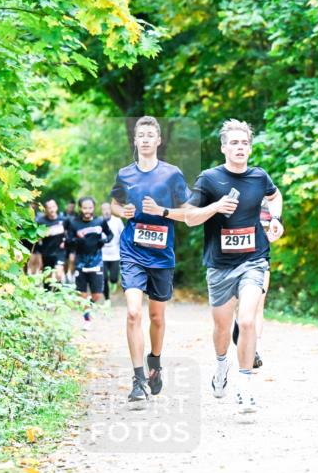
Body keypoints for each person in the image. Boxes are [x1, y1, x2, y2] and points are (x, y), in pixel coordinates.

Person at [148, 119, 283, 414]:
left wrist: (276, 220)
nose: (240, 148)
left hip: (254, 259)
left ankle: (245, 387)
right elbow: (189, 216)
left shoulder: (260, 177)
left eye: (244, 143)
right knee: (222, 328)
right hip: (220, 266)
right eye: (234, 143)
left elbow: (275, 197)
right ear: (224, 147)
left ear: (250, 148)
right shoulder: (210, 179)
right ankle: (222, 365)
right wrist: (216, 207)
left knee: (247, 321)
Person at [110, 116, 191, 404]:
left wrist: (162, 211)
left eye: (150, 135)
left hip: (161, 254)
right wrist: (123, 213)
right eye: (140, 135)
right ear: (135, 141)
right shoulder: (125, 174)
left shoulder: (172, 175)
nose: (144, 139)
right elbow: (114, 204)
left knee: (156, 317)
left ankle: (154, 362)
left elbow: (188, 213)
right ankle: (137, 379)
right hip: (132, 251)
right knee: (133, 312)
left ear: (158, 141)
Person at [231, 193, 282, 368]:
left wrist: (274, 232)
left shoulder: (270, 203)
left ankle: (255, 349)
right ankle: (239, 326)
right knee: (240, 306)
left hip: (260, 259)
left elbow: (275, 229)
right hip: (234, 259)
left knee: (259, 304)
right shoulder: (234, 197)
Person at [68, 196, 114, 329]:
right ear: (80, 208)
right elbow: (68, 241)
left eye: (90, 207)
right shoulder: (74, 223)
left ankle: (87, 304)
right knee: (81, 295)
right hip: (80, 263)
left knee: (97, 295)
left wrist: (104, 241)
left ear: (94, 208)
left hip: (96, 261)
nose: (87, 210)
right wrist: (77, 241)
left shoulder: (100, 221)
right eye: (84, 208)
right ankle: (87, 320)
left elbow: (110, 235)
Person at [36, 199, 68, 285]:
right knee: (47, 277)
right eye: (49, 208)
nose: (52, 209)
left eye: (53, 207)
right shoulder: (41, 221)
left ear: (57, 207)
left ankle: (58, 293)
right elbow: (37, 239)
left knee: (59, 272)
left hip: (60, 252)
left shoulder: (64, 220)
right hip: (46, 252)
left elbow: (68, 233)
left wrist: (65, 241)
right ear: (45, 209)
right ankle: (47, 294)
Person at [100, 201, 124, 303]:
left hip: (115, 254)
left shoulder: (117, 221)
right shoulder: (99, 221)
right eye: (104, 209)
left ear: (111, 210)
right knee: (104, 278)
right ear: (101, 211)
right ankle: (107, 299)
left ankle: (113, 282)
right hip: (102, 255)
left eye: (108, 209)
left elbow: (123, 235)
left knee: (113, 278)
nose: (106, 211)